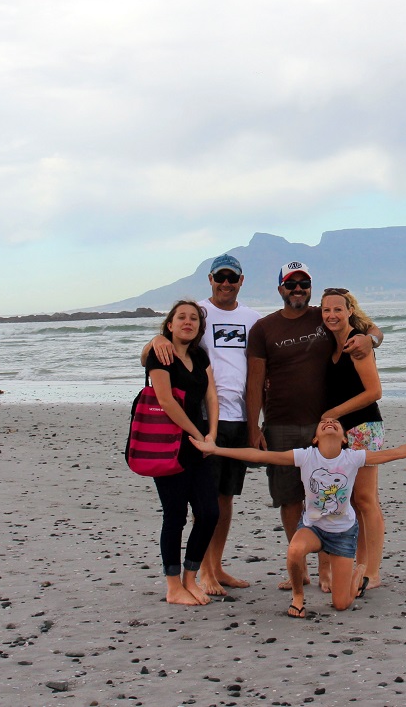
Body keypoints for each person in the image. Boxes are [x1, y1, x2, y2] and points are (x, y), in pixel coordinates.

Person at [191, 419, 406, 617]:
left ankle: (359, 571)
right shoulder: (305, 456)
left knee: (341, 604)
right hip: (313, 528)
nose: (330, 423)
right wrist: (217, 450)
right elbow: (261, 455)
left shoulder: (353, 458)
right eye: (323, 423)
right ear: (315, 438)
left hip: (343, 534)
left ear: (345, 438)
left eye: (336, 423)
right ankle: (298, 597)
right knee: (295, 549)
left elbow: (395, 453)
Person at [245, 261, 383, 592]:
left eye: (303, 283)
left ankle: (331, 570)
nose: (297, 289)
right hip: (280, 424)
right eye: (290, 284)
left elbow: (369, 328)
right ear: (280, 289)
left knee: (332, 499)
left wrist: (371, 340)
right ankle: (301, 565)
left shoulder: (327, 319)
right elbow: (255, 381)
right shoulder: (265, 328)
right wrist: (254, 427)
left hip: (328, 428)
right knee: (290, 499)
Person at [141, 254, 261, 595]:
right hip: (205, 422)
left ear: (241, 280)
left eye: (232, 278)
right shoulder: (198, 313)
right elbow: (160, 348)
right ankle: (203, 573)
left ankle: (217, 566)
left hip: (236, 420)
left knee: (224, 498)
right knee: (202, 501)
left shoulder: (252, 318)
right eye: (220, 277)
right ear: (210, 279)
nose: (226, 283)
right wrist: (157, 339)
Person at [144, 300, 221, 606]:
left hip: (199, 443)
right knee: (175, 515)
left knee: (208, 513)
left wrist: (211, 433)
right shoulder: (159, 354)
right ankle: (173, 586)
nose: (188, 322)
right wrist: (197, 433)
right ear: (170, 324)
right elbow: (165, 400)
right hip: (168, 444)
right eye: (181, 317)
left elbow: (212, 395)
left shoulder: (200, 355)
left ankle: (191, 578)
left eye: (194, 318)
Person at [319, 288, 386, 589]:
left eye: (337, 309)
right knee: (352, 502)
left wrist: (333, 412)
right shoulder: (331, 344)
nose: (331, 315)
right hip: (343, 432)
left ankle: (372, 571)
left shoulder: (357, 343)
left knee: (366, 499)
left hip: (364, 428)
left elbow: (374, 392)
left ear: (349, 311)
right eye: (326, 310)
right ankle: (359, 565)